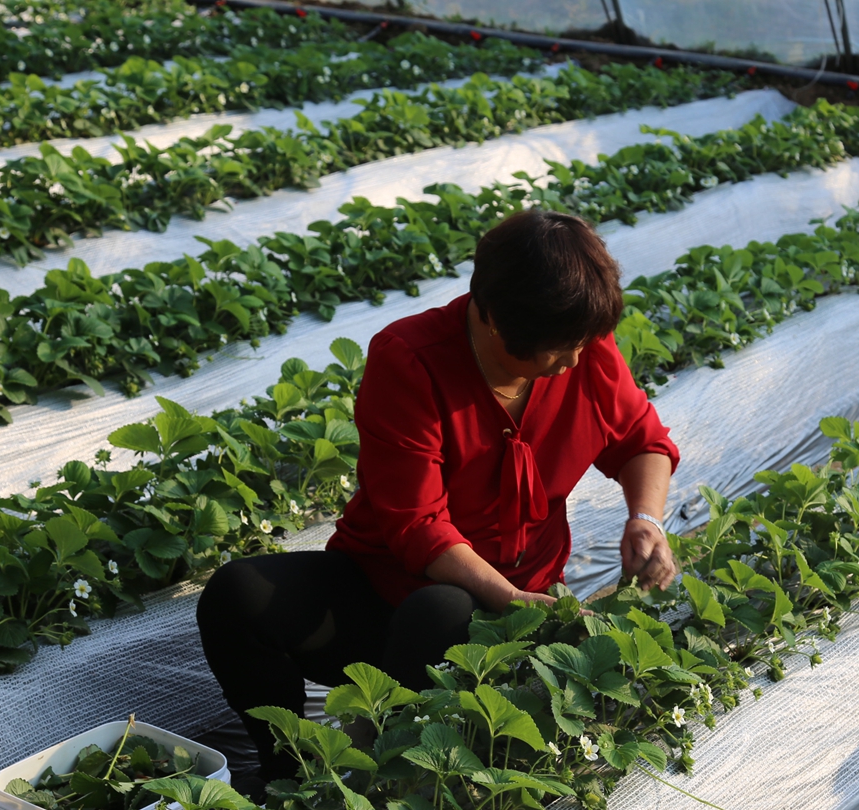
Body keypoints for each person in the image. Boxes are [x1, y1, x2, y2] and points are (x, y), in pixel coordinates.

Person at [196, 210, 681, 780]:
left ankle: (391, 772)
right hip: (387, 591)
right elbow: (418, 525)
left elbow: (640, 440)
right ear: (497, 322)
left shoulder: (585, 349)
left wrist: (645, 517)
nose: (576, 359)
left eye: (582, 342)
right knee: (238, 595)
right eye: (559, 348)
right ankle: (292, 775)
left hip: (520, 616)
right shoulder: (410, 360)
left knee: (445, 614)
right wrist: (506, 595)